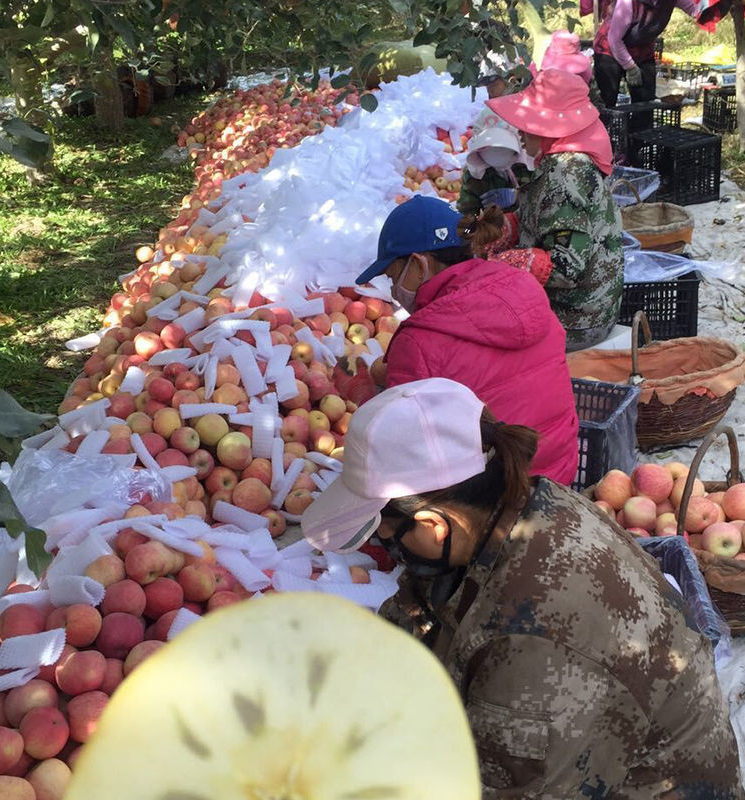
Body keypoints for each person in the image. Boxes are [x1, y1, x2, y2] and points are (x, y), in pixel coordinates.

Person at [301, 377, 744, 799]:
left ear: (434, 525)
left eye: (384, 532)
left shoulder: (537, 643)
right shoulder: (517, 505)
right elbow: (419, 614)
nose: (385, 546)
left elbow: (509, 786)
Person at [355, 195, 578, 486]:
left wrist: (367, 404)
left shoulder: (419, 341)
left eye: (392, 276)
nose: (393, 290)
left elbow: (405, 456)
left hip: (497, 501)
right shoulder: (523, 286)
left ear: (418, 264)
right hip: (560, 475)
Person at [486, 68, 624, 351]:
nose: (521, 134)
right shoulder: (564, 163)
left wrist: (512, 262)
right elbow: (550, 219)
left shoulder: (564, 177)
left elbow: (567, 266)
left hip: (578, 317)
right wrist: (508, 227)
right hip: (589, 307)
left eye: (527, 125)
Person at [593, 0, 700, 108]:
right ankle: (606, 124)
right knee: (607, 100)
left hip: (642, 48)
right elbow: (614, 40)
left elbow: (696, 10)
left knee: (645, 104)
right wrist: (631, 67)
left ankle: (641, 125)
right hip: (609, 49)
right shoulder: (628, 3)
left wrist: (709, 9)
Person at [457, 106, 532, 216]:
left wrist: (519, 196)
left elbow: (545, 200)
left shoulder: (529, 165)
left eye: (504, 149)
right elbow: (465, 214)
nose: (497, 154)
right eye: (490, 149)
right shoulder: (476, 175)